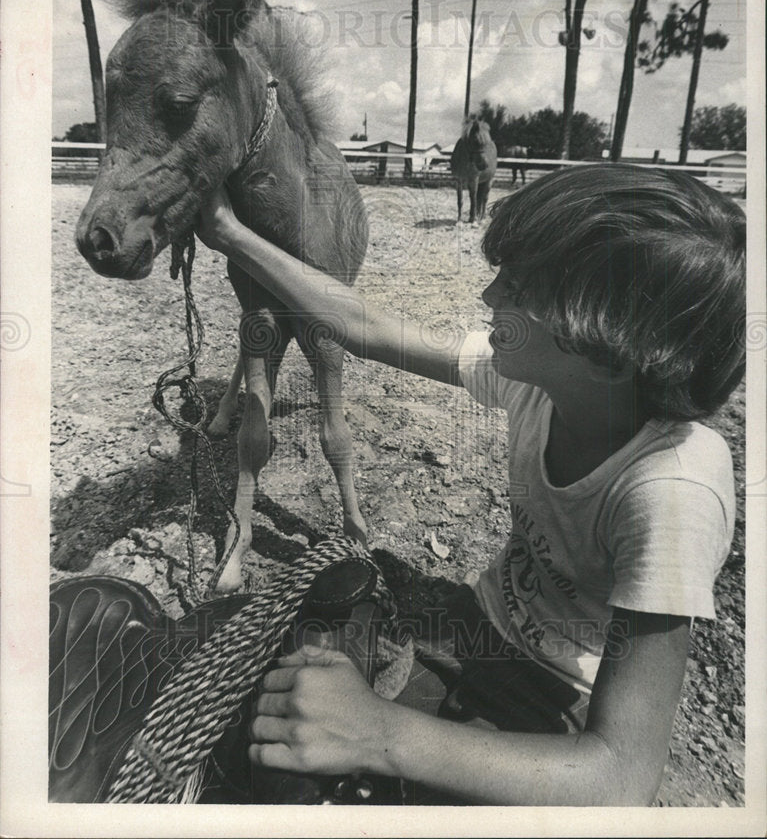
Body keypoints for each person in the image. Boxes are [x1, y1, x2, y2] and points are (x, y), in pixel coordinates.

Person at [194, 164, 745, 806]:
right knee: (278, 714)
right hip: (475, 626)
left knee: (303, 766)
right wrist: (230, 233)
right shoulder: (546, 382)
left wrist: (380, 733)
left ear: (599, 334)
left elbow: (622, 776)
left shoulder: (673, 487)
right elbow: (367, 326)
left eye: (514, 287)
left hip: (557, 708)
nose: (488, 298)